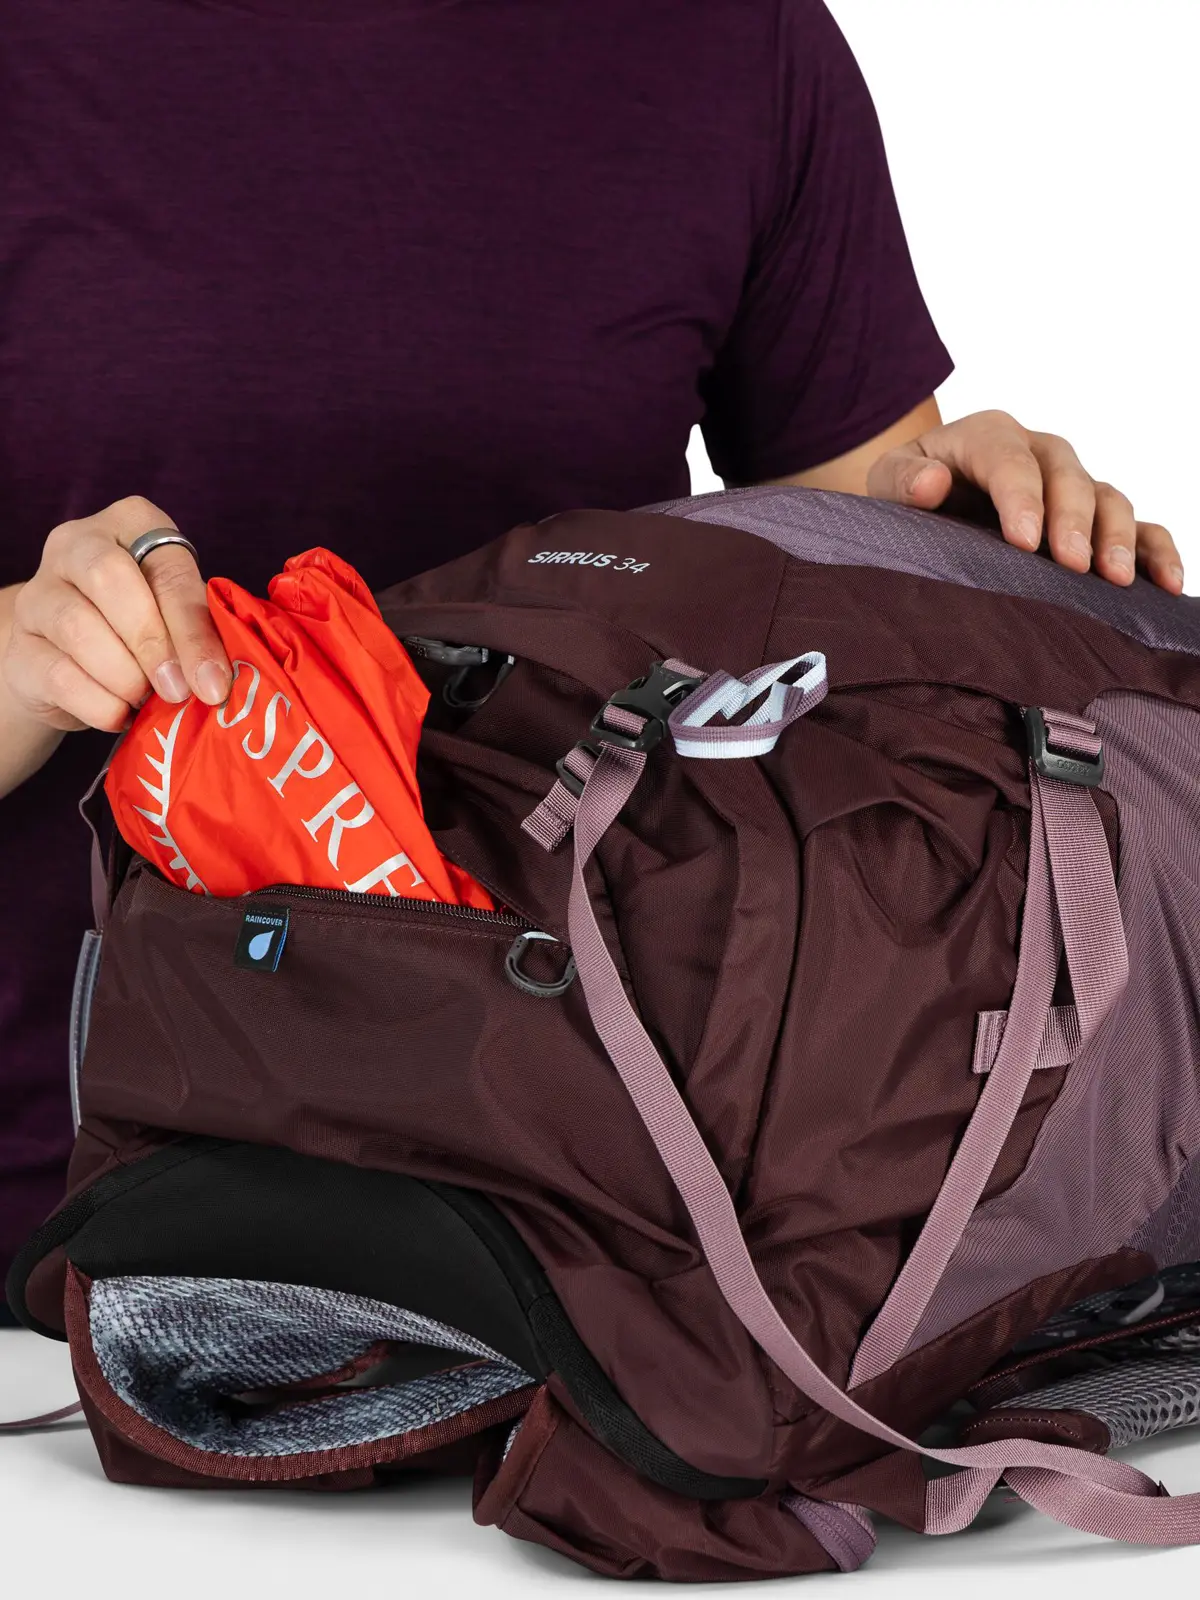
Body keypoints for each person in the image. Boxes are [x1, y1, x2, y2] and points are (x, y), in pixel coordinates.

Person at [0, 0, 1183, 1314]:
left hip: (607, 1253)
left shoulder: (728, 43)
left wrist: (964, 528)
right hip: (70, 1247)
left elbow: (844, 623)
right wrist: (19, 666)